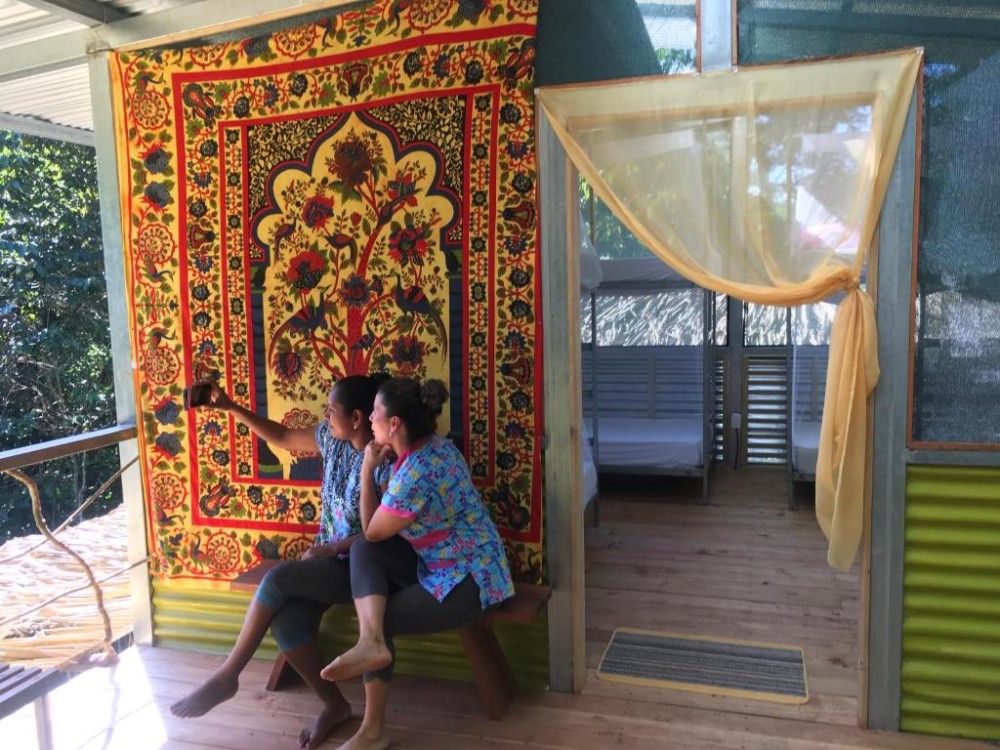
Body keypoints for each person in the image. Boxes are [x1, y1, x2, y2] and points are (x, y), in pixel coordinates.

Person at [169, 374, 393, 750]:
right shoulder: (331, 440)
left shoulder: (384, 459)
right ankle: (334, 706)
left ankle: (228, 674)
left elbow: (386, 532)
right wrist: (231, 407)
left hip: (359, 571)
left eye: (332, 410)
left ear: (357, 418)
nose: (325, 415)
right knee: (287, 625)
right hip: (325, 562)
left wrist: (329, 549)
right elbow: (284, 436)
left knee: (276, 579)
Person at [318, 377, 515, 750]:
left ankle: (373, 731)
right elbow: (372, 543)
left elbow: (371, 531)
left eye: (375, 413)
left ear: (394, 424)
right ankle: (370, 643)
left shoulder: (416, 474)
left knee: (380, 619)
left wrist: (366, 469)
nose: (370, 419)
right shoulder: (433, 448)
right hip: (445, 564)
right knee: (363, 556)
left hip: (470, 583)